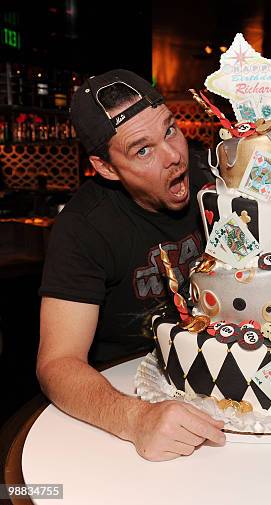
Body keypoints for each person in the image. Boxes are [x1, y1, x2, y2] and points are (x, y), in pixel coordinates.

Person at [37, 69, 226, 461]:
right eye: (143, 150)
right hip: (128, 389)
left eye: (170, 130)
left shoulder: (214, 177)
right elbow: (57, 363)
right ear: (106, 167)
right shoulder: (84, 227)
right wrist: (135, 419)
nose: (174, 156)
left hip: (226, 374)